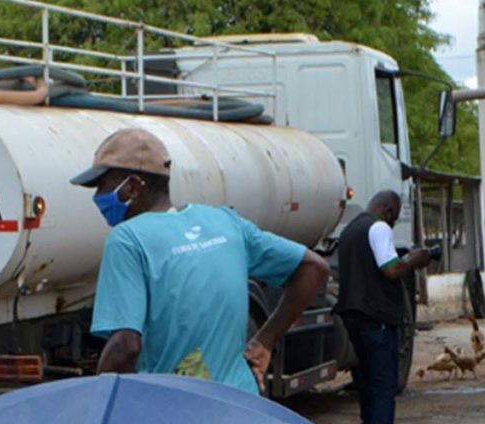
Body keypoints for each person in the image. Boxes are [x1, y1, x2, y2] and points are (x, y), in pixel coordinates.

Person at [78, 126, 329, 393]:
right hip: (241, 406)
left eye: (102, 186)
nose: (97, 197)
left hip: (180, 412)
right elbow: (314, 268)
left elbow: (126, 344)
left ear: (133, 187)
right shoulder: (224, 222)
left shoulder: (128, 239)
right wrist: (264, 343)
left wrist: (98, 404)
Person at [333, 189, 435, 424]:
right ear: (387, 211)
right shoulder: (378, 228)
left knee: (367, 383)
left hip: (353, 316)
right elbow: (390, 270)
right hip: (376, 319)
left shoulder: (349, 231)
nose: (393, 222)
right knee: (383, 386)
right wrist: (414, 260)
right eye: (394, 217)